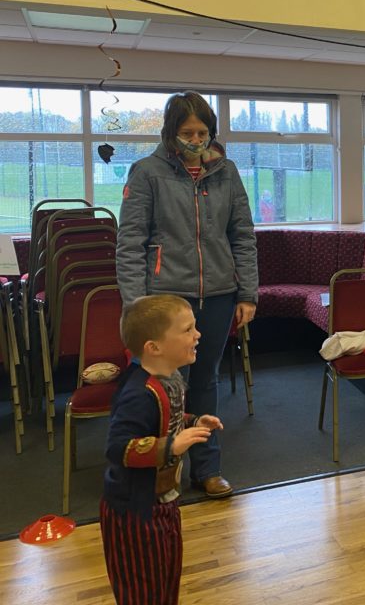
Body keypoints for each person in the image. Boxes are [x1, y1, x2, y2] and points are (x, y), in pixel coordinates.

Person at [116, 91, 258, 498]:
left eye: (202, 132)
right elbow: (130, 243)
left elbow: (243, 236)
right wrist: (134, 305)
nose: (195, 140)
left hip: (218, 294)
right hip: (165, 296)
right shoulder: (146, 172)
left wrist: (247, 293)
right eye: (186, 132)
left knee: (205, 381)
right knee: (162, 386)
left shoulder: (226, 172)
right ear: (170, 133)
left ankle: (207, 468)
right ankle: (159, 470)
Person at [101, 294, 224, 605]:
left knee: (166, 577)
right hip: (134, 510)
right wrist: (172, 445)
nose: (197, 335)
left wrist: (194, 420)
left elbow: (165, 416)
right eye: (187, 330)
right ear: (153, 347)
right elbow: (118, 447)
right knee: (142, 589)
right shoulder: (138, 393)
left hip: (162, 501)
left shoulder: (167, 380)